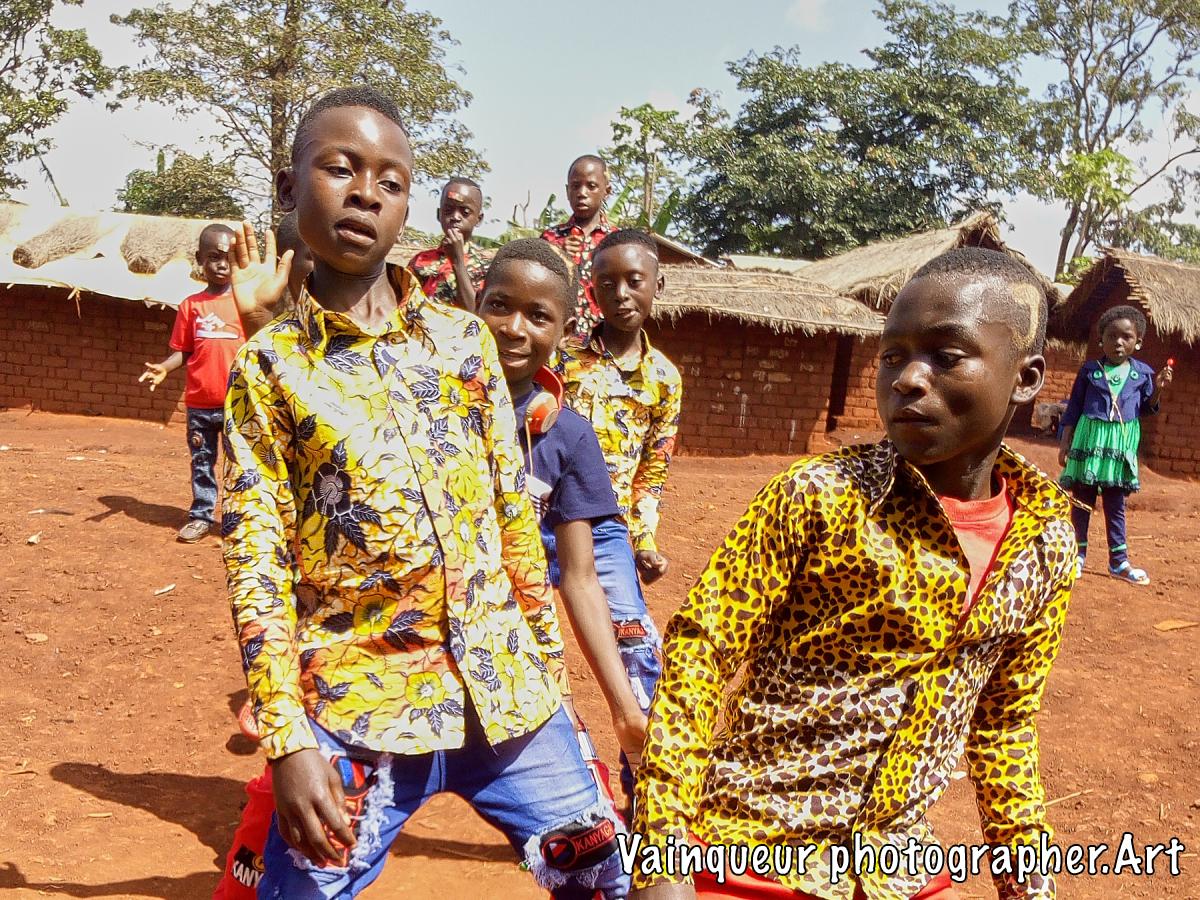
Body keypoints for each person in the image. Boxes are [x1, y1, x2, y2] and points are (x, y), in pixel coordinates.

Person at [221, 86, 628, 898]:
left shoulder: (464, 341)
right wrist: (287, 738)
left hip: (507, 696)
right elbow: (254, 560)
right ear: (289, 187)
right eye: (340, 169)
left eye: (391, 181)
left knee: (609, 880)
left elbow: (514, 518)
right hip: (358, 704)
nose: (365, 193)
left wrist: (549, 677)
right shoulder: (270, 368)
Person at [630, 248, 1078, 900]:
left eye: (946, 356)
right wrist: (660, 857)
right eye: (893, 356)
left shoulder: (1045, 542)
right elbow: (702, 651)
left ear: (1027, 378)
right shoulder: (823, 495)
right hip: (752, 851)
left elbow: (1004, 725)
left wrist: (1028, 888)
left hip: (896, 870)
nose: (907, 379)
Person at [556, 228, 680, 802]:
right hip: (539, 520)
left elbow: (652, 470)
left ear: (658, 284)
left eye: (634, 281)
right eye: (607, 284)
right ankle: (567, 792)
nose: (622, 294)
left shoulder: (665, 379)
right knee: (535, 652)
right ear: (592, 291)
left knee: (635, 650)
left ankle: (644, 788)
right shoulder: (561, 360)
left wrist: (644, 539)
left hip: (607, 531)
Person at [138, 222, 242, 543]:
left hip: (238, 404)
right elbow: (183, 351)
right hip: (199, 404)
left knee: (240, 467)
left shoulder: (247, 303)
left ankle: (239, 521)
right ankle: (201, 516)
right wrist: (164, 368)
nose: (222, 264)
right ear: (199, 259)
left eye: (228, 257)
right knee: (202, 462)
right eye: (213, 257)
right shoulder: (191, 306)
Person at [1057, 304, 1172, 585]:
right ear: (1101, 339)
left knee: (1115, 503)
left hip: (1119, 447)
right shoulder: (1090, 371)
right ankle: (1076, 556)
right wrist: (1065, 442)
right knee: (1082, 499)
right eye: (1111, 336)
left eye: (1126, 337)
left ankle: (1118, 562)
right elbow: (1073, 408)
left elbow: (1147, 408)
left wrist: (1158, 388)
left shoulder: (1142, 374)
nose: (1118, 342)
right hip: (1089, 441)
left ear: (1138, 342)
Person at [541, 155, 614, 338]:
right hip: (557, 336)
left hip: (601, 339)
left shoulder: (616, 241)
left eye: (591, 186)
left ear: (607, 191)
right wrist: (559, 256)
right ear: (567, 191)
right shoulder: (550, 238)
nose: (582, 193)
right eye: (575, 186)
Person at [407, 177, 489, 313]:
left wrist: (457, 261)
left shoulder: (486, 267)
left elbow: (475, 314)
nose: (455, 217)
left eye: (465, 212)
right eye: (448, 210)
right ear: (439, 214)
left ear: (478, 219)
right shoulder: (420, 261)